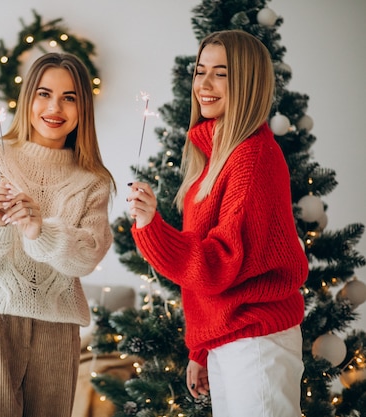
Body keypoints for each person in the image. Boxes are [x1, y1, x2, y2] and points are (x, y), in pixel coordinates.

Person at [127, 30, 308, 417]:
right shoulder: (213, 156)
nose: (203, 85)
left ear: (246, 82)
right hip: (230, 339)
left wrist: (151, 228)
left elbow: (220, 262)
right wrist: (202, 347)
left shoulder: (252, 156)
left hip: (257, 342)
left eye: (221, 74)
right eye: (200, 71)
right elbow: (211, 273)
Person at [0, 52, 116, 417]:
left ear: (83, 107)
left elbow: (88, 256)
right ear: (27, 100)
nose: (55, 107)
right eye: (44, 93)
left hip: (58, 330)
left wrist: (40, 232)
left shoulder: (94, 181)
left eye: (69, 97)